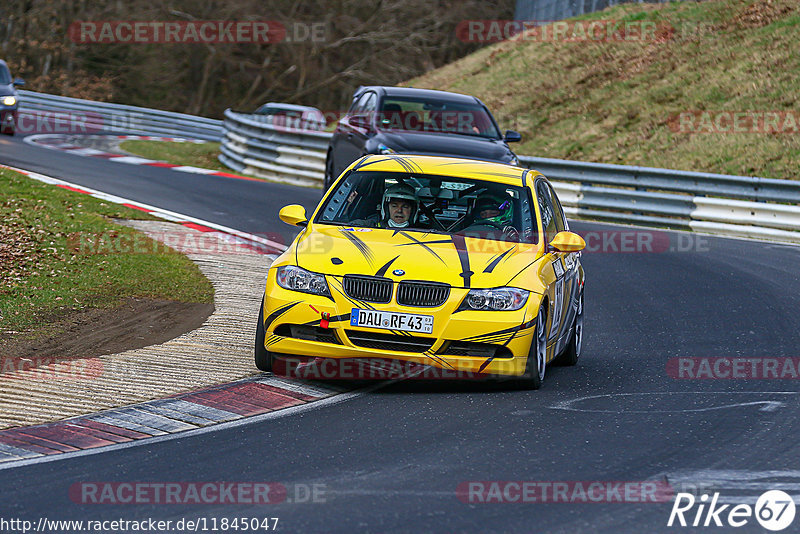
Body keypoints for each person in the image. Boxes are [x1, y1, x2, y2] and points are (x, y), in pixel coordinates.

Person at [352, 182, 419, 229]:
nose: (399, 210)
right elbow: (345, 228)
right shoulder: (369, 226)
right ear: (386, 209)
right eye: (394, 206)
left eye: (405, 207)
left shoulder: (425, 232)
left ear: (413, 211)